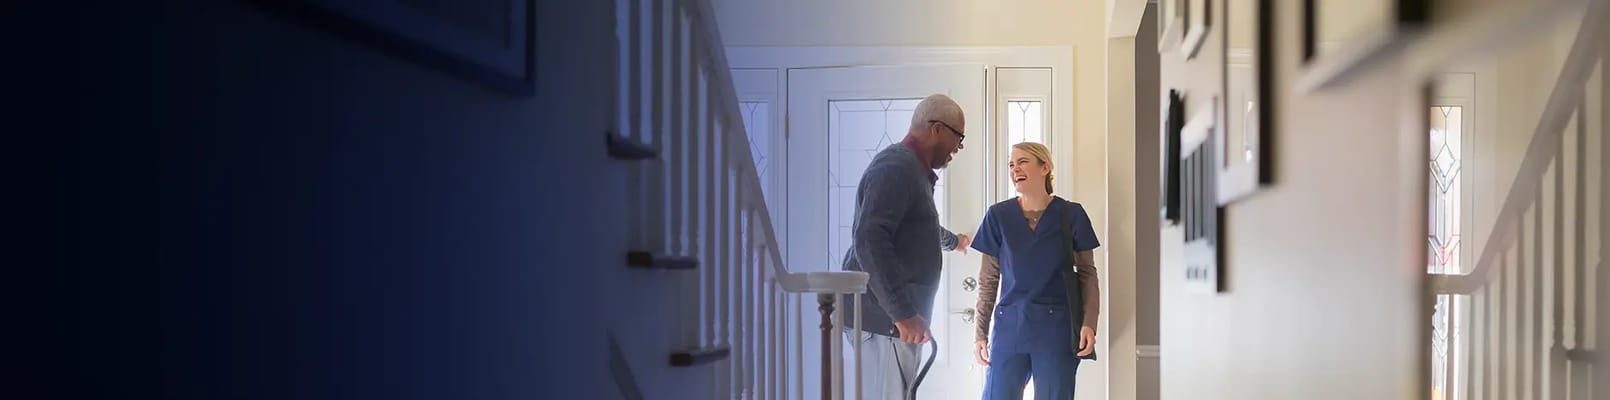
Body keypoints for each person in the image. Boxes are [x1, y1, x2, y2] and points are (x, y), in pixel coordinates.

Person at [840, 93, 968, 400]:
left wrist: (955, 242)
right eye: (958, 137)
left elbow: (918, 227)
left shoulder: (911, 171)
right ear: (937, 128)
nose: (958, 148)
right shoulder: (897, 167)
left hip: (894, 322)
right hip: (884, 321)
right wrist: (902, 313)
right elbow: (870, 239)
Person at [970, 142, 1101, 400]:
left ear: (1045, 167)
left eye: (1022, 162)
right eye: (1011, 164)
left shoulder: (1071, 214)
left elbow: (1087, 273)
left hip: (1056, 330)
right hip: (1009, 329)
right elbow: (988, 280)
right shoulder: (998, 216)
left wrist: (1089, 323)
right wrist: (980, 332)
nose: (1014, 168)